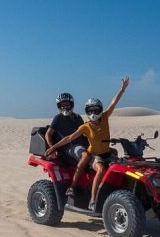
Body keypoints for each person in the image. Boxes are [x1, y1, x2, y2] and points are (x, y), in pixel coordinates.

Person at [44, 76, 130, 210]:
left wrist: (122, 89)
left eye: (96, 110)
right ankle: (93, 200)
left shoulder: (104, 117)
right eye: (90, 111)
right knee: (99, 168)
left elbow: (114, 102)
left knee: (120, 161)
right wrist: (52, 147)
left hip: (103, 152)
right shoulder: (85, 126)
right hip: (91, 154)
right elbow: (68, 138)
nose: (93, 113)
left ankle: (116, 192)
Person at [45, 92, 88, 164]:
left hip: (81, 145)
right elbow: (48, 134)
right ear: (59, 106)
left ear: (71, 104)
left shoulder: (78, 117)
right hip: (68, 148)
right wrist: (52, 148)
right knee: (85, 155)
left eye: (67, 104)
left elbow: (84, 133)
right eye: (62, 105)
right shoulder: (58, 118)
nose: (65, 107)